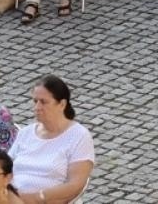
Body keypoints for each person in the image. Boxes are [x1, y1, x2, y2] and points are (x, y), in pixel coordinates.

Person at [6, 76, 94, 204]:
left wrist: (37, 197)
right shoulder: (26, 133)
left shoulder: (79, 136)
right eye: (35, 101)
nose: (37, 107)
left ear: (62, 104)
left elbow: (76, 184)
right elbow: (4, 169)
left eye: (43, 102)